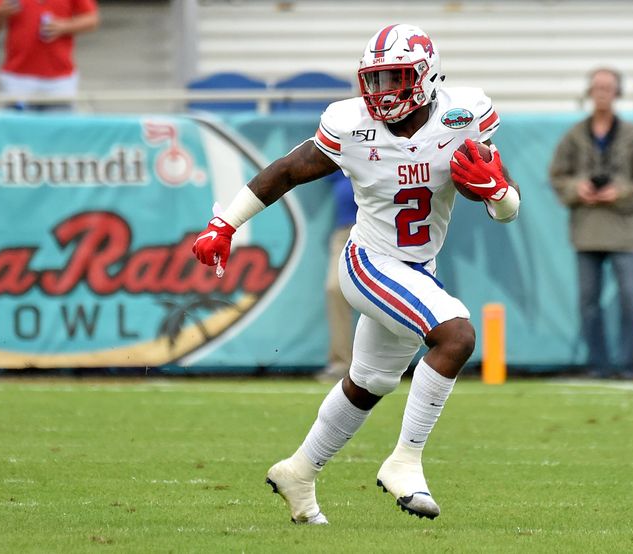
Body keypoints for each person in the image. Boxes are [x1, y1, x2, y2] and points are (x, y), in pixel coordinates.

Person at [192, 24, 521, 523]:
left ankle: (299, 471)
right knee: (456, 335)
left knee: (369, 382)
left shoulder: (464, 115)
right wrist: (224, 223)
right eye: (376, 78)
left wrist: (497, 193)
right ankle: (405, 461)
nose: (383, 91)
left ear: (426, 76)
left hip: (418, 269)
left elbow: (507, 209)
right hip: (368, 261)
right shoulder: (350, 124)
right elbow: (285, 171)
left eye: (396, 78)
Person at [549, 68, 633, 377]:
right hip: (587, 228)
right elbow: (557, 175)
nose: (602, 92)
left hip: (624, 229)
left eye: (608, 87)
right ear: (590, 92)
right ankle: (599, 364)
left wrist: (621, 192)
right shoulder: (575, 135)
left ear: (617, 93)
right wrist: (577, 188)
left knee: (631, 298)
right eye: (597, 87)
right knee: (588, 301)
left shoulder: (632, 135)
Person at [0, 0, 99, 111]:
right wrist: (0, 13)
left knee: (58, 129)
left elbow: (92, 20)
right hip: (17, 79)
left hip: (59, 80)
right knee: (19, 129)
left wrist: (64, 26)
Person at [316, 171, 358, 383]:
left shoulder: (383, 148)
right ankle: (341, 363)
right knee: (335, 288)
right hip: (344, 232)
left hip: (381, 231)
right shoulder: (343, 153)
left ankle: (392, 362)